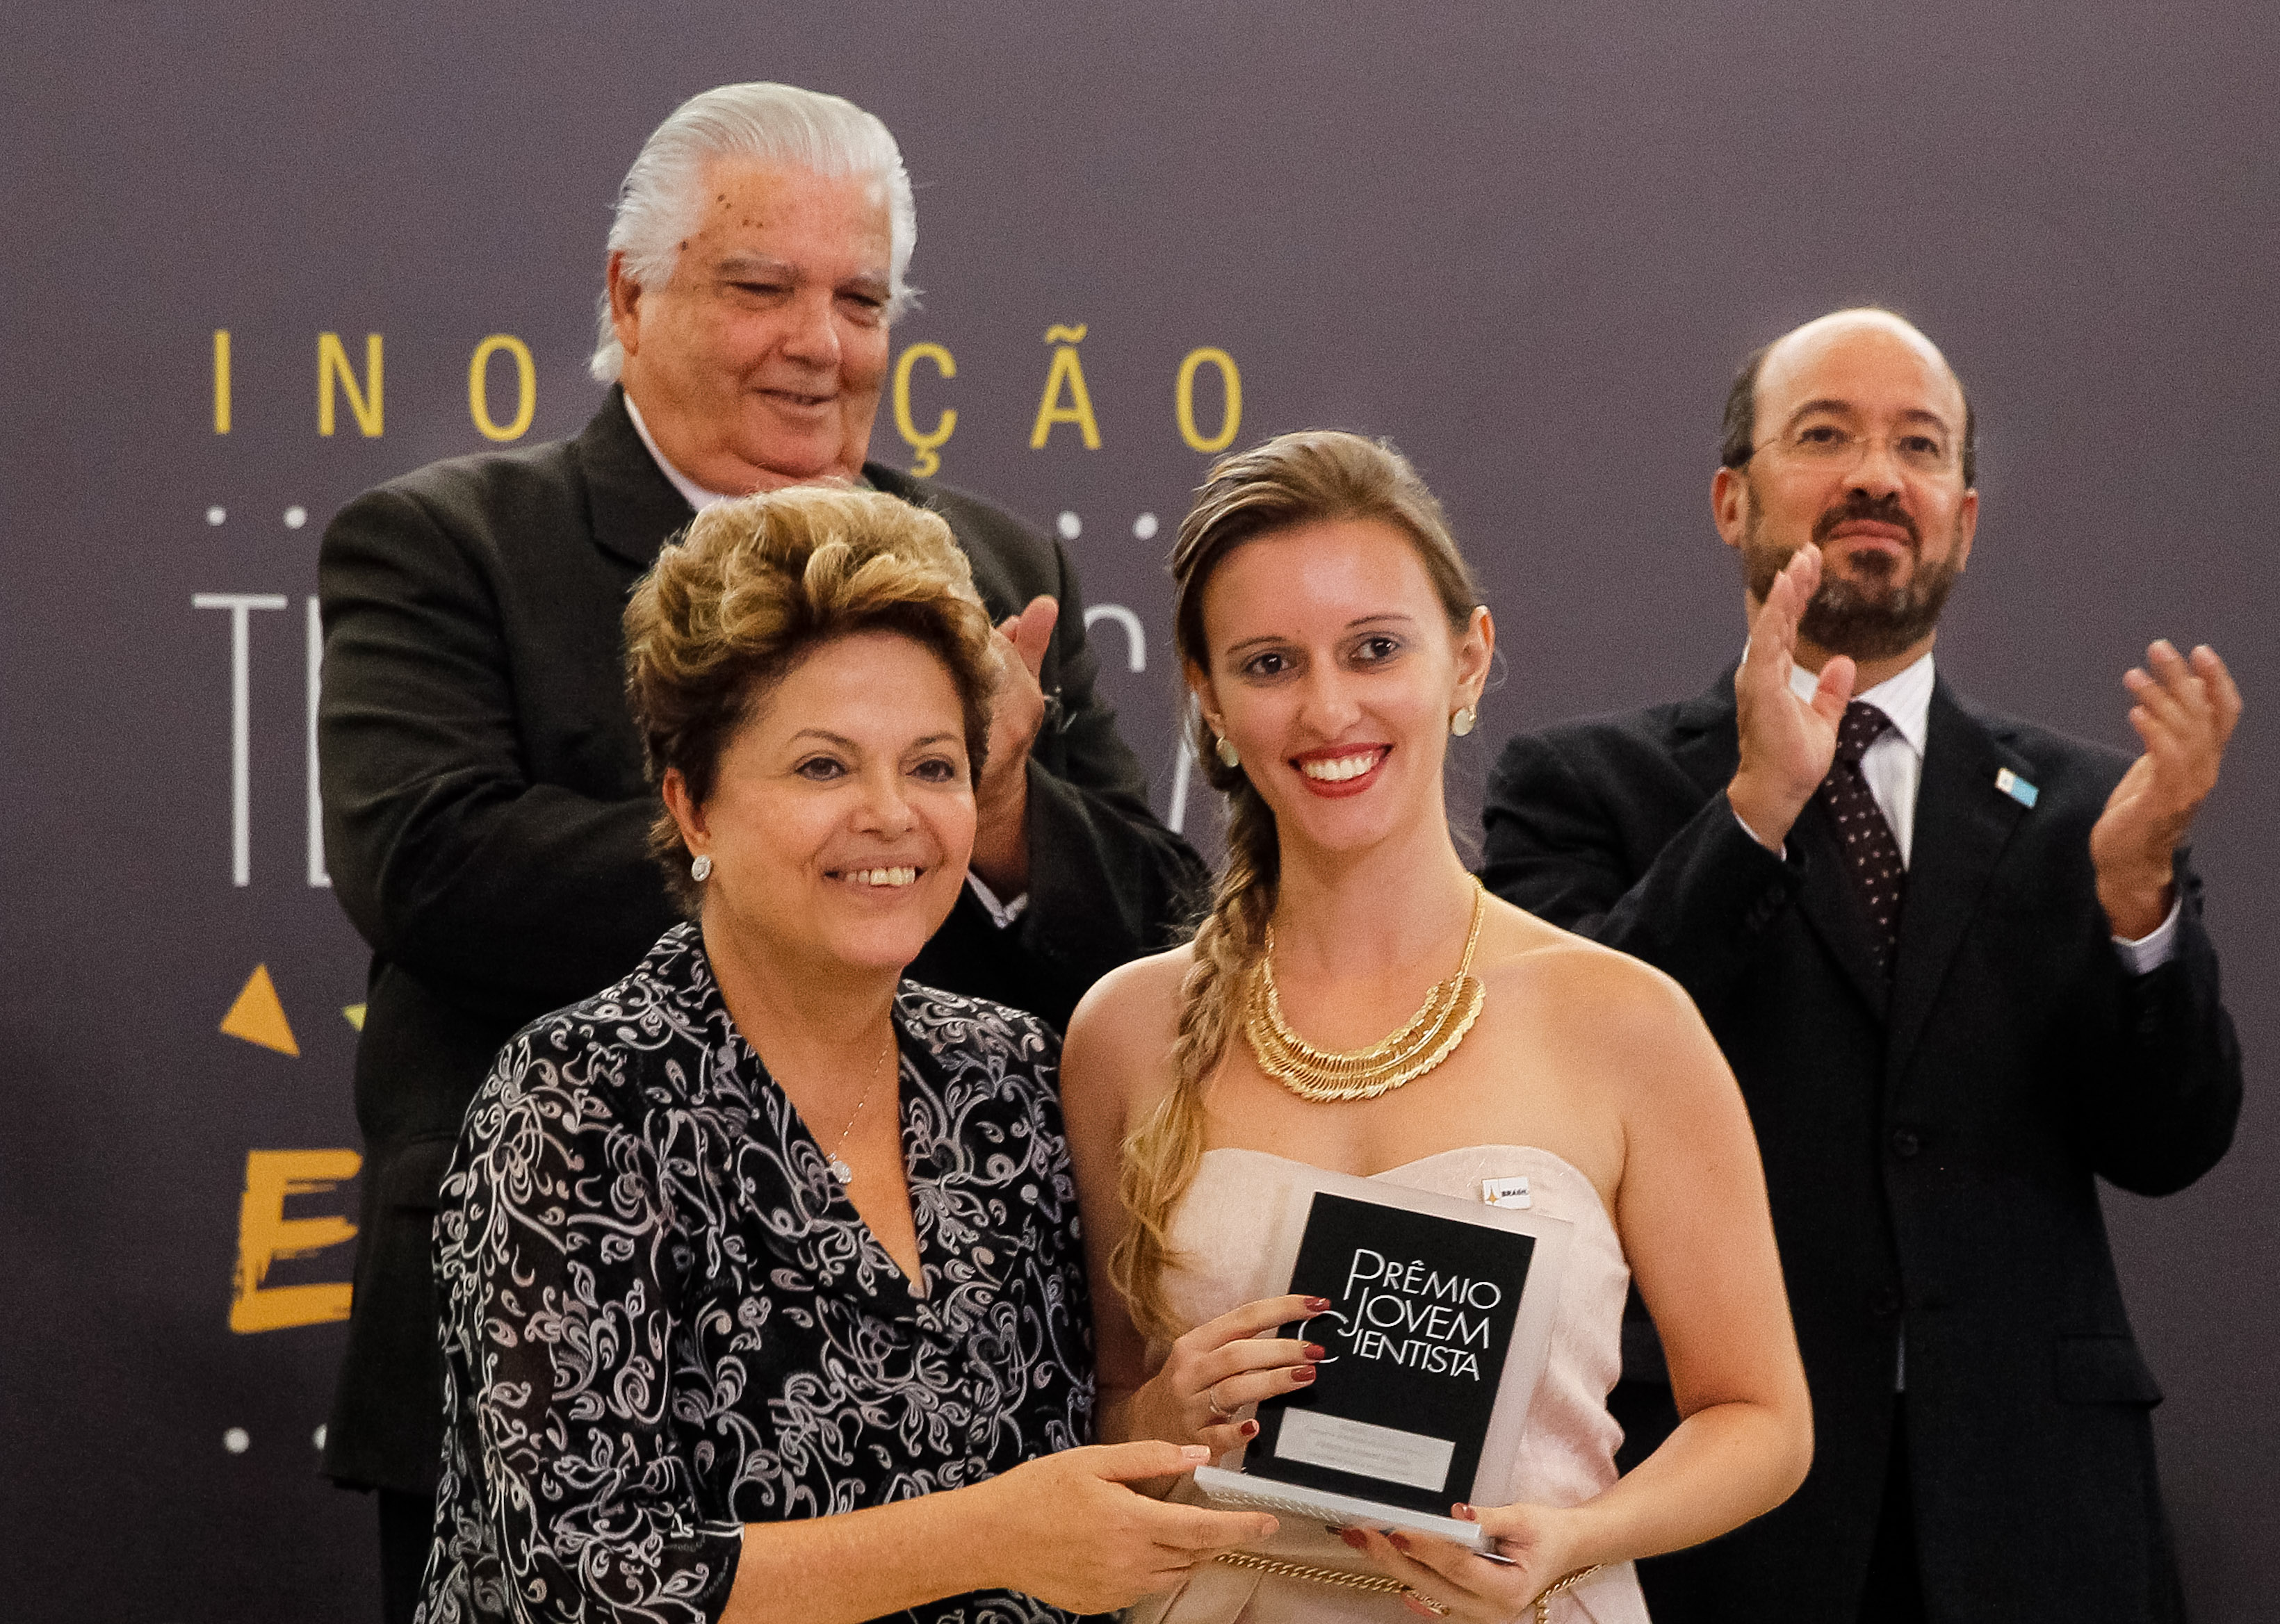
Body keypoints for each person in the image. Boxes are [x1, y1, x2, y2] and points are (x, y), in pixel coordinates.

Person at [316, 83, 1203, 1618]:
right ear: (630, 297)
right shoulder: (449, 538)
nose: (818, 338)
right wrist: (798, 865)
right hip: (568, 1363)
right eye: (759, 286)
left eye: (858, 297)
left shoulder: (997, 569)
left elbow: (1149, 908)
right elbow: (432, 862)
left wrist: (981, 800)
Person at [1482, 309, 2245, 1622]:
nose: (1875, 475)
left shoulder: (2085, 811)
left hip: (2031, 1505)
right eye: (1824, 436)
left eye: (1917, 445)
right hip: (1716, 1503)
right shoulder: (1583, 787)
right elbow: (1557, 1087)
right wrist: (1751, 817)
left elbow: (2169, 1140)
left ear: (1959, 513)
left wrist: (2136, 907)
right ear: (1731, 500)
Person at [419, 485, 1272, 1624]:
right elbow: (585, 1575)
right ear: (694, 807)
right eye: (823, 767)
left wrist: (1165, 1421)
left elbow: (1053, 1453)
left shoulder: (1006, 1077)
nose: (891, 815)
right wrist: (986, 1536)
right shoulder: (579, 1103)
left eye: (931, 767)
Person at [1060, 431, 1814, 1624]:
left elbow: (1761, 1419)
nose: (1327, 707)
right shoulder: (1123, 1031)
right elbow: (1102, 1404)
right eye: (1267, 663)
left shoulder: (1624, 1020)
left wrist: (1574, 1537)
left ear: (1467, 661)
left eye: (1374, 648)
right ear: (1205, 695)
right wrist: (1159, 1416)